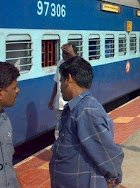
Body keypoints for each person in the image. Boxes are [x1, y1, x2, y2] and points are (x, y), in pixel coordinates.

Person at [49, 56, 124, 188]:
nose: (60, 87)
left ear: (69, 79)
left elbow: (107, 151)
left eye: (61, 81)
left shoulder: (86, 110)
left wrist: (114, 177)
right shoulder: (76, 108)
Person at [48, 43, 77, 139]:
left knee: (72, 127)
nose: (64, 56)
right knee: (59, 128)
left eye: (66, 53)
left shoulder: (76, 65)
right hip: (60, 103)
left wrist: (73, 56)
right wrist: (52, 99)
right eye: (63, 53)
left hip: (72, 103)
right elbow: (57, 82)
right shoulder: (60, 63)